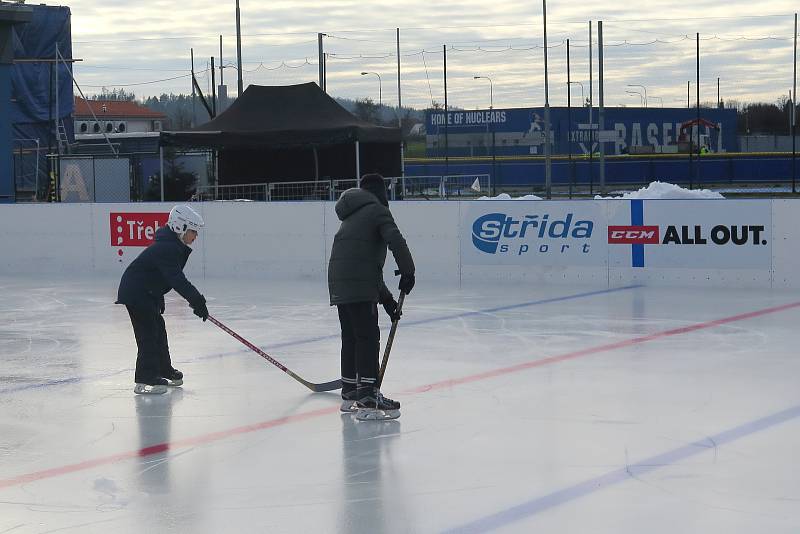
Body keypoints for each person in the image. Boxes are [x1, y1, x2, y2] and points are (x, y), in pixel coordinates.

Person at [328, 173, 415, 420]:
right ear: (381, 193)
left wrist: (386, 300)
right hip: (357, 284)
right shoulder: (377, 211)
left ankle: (350, 393)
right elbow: (396, 241)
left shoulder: (352, 214)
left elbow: (364, 265)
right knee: (367, 336)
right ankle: (367, 396)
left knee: (352, 336)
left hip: (340, 283)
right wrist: (408, 271)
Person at [116, 205, 209, 395]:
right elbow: (176, 279)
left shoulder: (171, 245)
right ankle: (145, 377)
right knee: (148, 335)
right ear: (180, 227)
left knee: (159, 331)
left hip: (147, 292)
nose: (195, 237)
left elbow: (162, 276)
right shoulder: (167, 248)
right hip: (137, 293)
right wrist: (197, 300)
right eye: (193, 231)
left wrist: (158, 298)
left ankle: (163, 369)